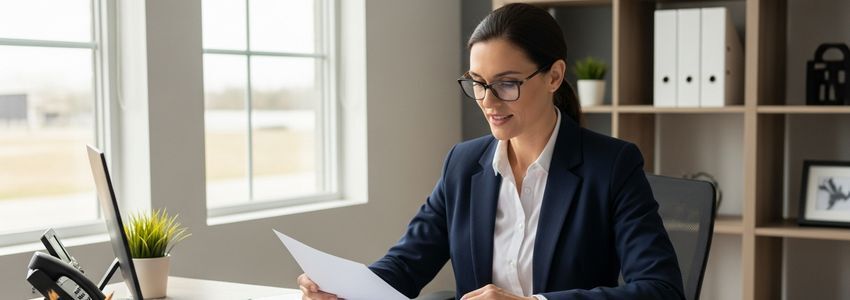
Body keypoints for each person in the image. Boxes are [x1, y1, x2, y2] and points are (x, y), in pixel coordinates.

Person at [297, 3, 683, 300]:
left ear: (554, 76)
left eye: (507, 83)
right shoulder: (463, 165)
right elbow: (405, 265)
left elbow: (660, 288)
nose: (488, 101)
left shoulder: (612, 165)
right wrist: (345, 288)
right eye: (478, 83)